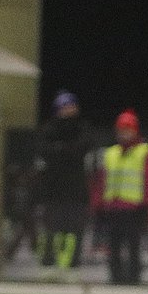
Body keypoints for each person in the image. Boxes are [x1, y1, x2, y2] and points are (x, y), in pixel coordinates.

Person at [90, 109, 148, 285]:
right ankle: (115, 277)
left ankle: (134, 279)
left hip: (134, 208)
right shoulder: (111, 153)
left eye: (128, 129)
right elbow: (102, 180)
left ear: (135, 130)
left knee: (133, 245)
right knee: (113, 246)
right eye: (121, 129)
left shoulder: (143, 152)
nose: (125, 133)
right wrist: (98, 204)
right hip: (113, 208)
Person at [35, 90, 92, 276]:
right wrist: (64, 151)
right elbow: (45, 150)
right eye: (64, 107)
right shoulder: (49, 129)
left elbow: (81, 148)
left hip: (75, 190)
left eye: (71, 107)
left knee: (74, 228)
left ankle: (72, 263)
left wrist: (62, 150)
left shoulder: (82, 128)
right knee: (51, 227)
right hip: (53, 190)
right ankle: (48, 261)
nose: (69, 111)